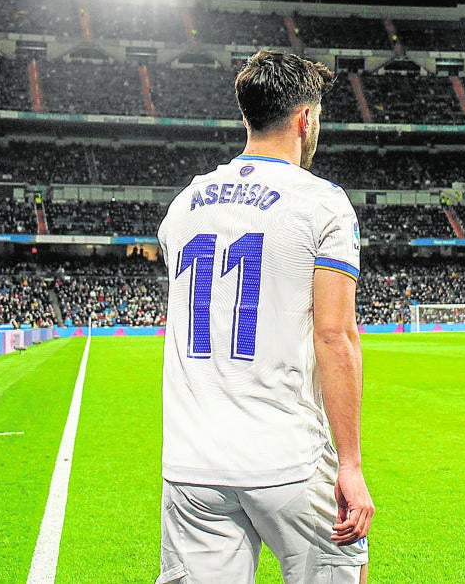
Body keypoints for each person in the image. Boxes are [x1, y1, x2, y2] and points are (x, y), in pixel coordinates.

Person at [156, 50, 372, 584]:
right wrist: (350, 464)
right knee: (345, 570)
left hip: (191, 464)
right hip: (284, 457)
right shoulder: (323, 203)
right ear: (304, 119)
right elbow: (335, 335)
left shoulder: (184, 204)